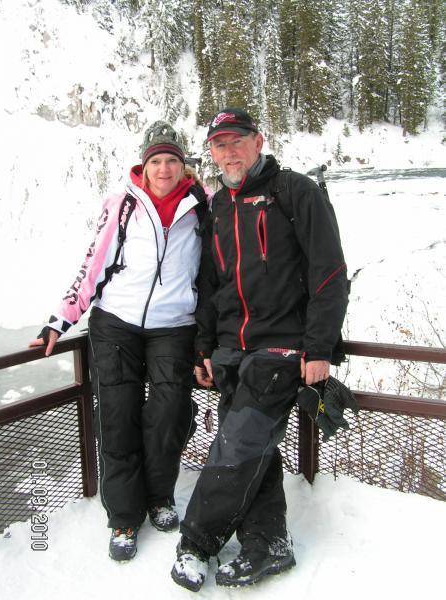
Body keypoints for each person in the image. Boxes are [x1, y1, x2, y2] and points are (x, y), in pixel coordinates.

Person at [170, 108, 348, 590]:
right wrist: (204, 347)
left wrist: (319, 349)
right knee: (255, 452)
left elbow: (329, 273)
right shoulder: (218, 208)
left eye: (237, 141)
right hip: (231, 353)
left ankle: (196, 542)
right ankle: (269, 543)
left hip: (281, 353)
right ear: (210, 153)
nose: (229, 152)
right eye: (219, 145)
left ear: (258, 141)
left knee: (236, 447)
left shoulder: (294, 193)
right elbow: (210, 285)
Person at [29, 121, 207, 562]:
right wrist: (60, 320)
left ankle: (159, 495)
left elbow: (215, 273)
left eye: (171, 160)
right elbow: (92, 264)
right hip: (116, 324)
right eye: (155, 161)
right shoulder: (122, 205)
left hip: (174, 324)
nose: (163, 168)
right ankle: (124, 516)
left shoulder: (201, 206)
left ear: (183, 165)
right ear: (143, 166)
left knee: (168, 414)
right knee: (118, 416)